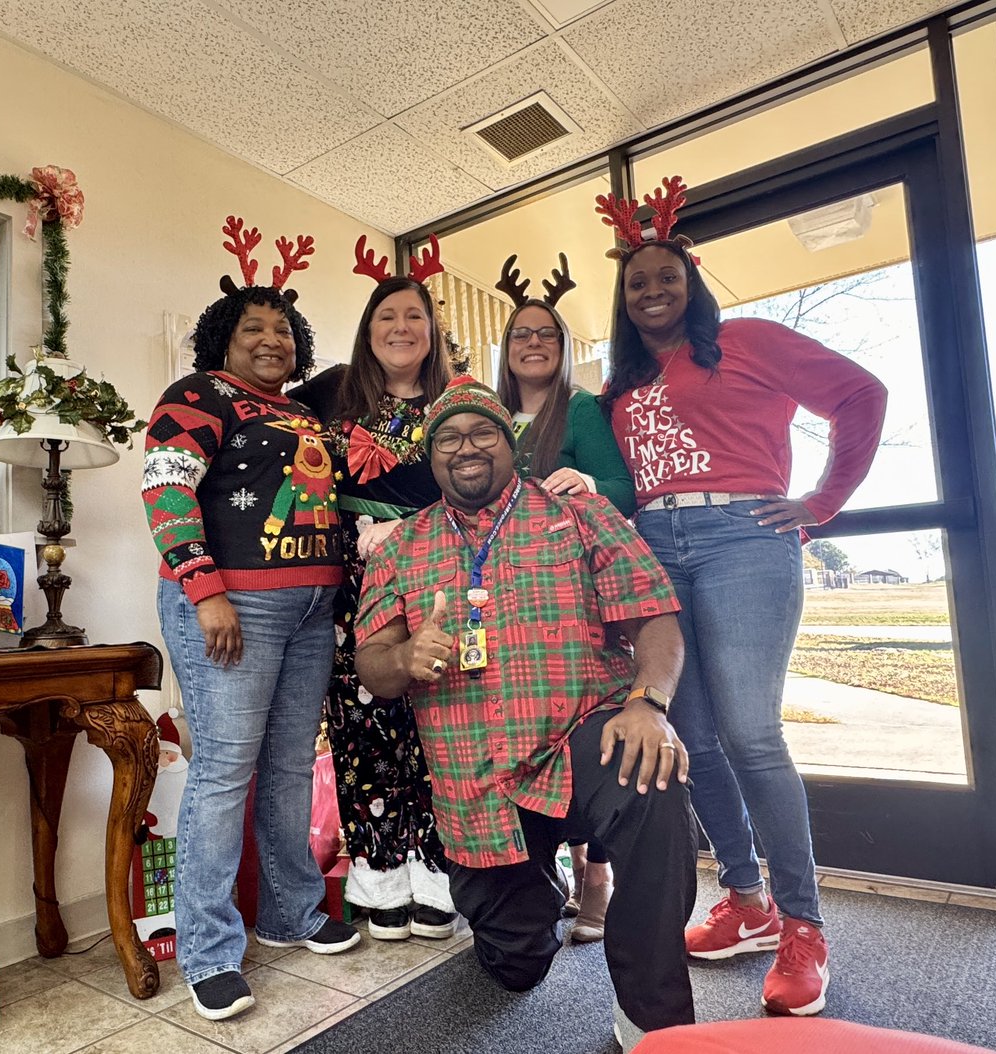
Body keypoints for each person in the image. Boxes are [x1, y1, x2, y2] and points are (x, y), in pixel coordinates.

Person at [598, 176, 887, 1017]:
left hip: (743, 542)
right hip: (656, 544)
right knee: (693, 738)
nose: (653, 291)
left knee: (752, 732)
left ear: (692, 284)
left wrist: (822, 502)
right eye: (637, 282)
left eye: (668, 277)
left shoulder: (751, 339)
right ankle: (747, 903)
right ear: (624, 301)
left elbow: (861, 396)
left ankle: (804, 927)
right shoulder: (620, 386)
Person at [353, 377, 699, 1052]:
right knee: (514, 965)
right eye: (448, 437)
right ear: (432, 458)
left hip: (580, 736)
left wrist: (650, 703)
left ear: (511, 444)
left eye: (482, 431)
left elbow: (655, 613)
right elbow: (373, 665)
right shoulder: (400, 548)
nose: (466, 447)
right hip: (477, 779)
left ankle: (654, 1021)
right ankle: (541, 892)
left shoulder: (578, 515)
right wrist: (405, 657)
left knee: (654, 780)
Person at [142, 216, 360, 1022]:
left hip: (311, 607)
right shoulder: (196, 395)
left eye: (282, 328)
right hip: (234, 604)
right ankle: (206, 951)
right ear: (222, 340)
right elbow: (165, 490)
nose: (269, 338)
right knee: (225, 770)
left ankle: (291, 912)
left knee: (290, 769)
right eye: (251, 326)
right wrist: (205, 590)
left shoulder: (303, 411)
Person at [286, 239, 456, 942]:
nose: (400, 329)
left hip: (435, 570)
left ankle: (439, 872)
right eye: (387, 316)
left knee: (438, 715)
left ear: (432, 329)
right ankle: (378, 873)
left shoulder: (458, 397)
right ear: (368, 329)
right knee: (362, 717)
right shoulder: (330, 391)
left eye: (414, 317)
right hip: (351, 577)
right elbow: (263, 421)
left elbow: (490, 473)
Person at [493, 253, 635, 943]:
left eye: (546, 332)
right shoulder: (486, 415)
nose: (534, 342)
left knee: (584, 723)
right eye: (521, 332)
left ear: (562, 345)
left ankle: (597, 876)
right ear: (507, 347)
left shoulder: (580, 408)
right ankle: (542, 876)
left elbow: (623, 489)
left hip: (574, 595)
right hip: (506, 602)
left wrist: (584, 480)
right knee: (528, 730)